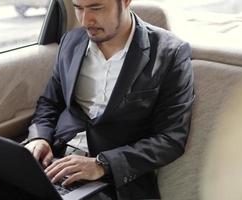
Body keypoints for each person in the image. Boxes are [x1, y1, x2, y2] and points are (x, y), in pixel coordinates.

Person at [23, 0, 194, 199]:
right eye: (78, 8)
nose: (85, 20)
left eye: (96, 8)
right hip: (55, 158)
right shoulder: (71, 42)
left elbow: (171, 138)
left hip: (114, 180)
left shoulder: (170, 53)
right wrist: (39, 137)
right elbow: (50, 102)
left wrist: (102, 164)